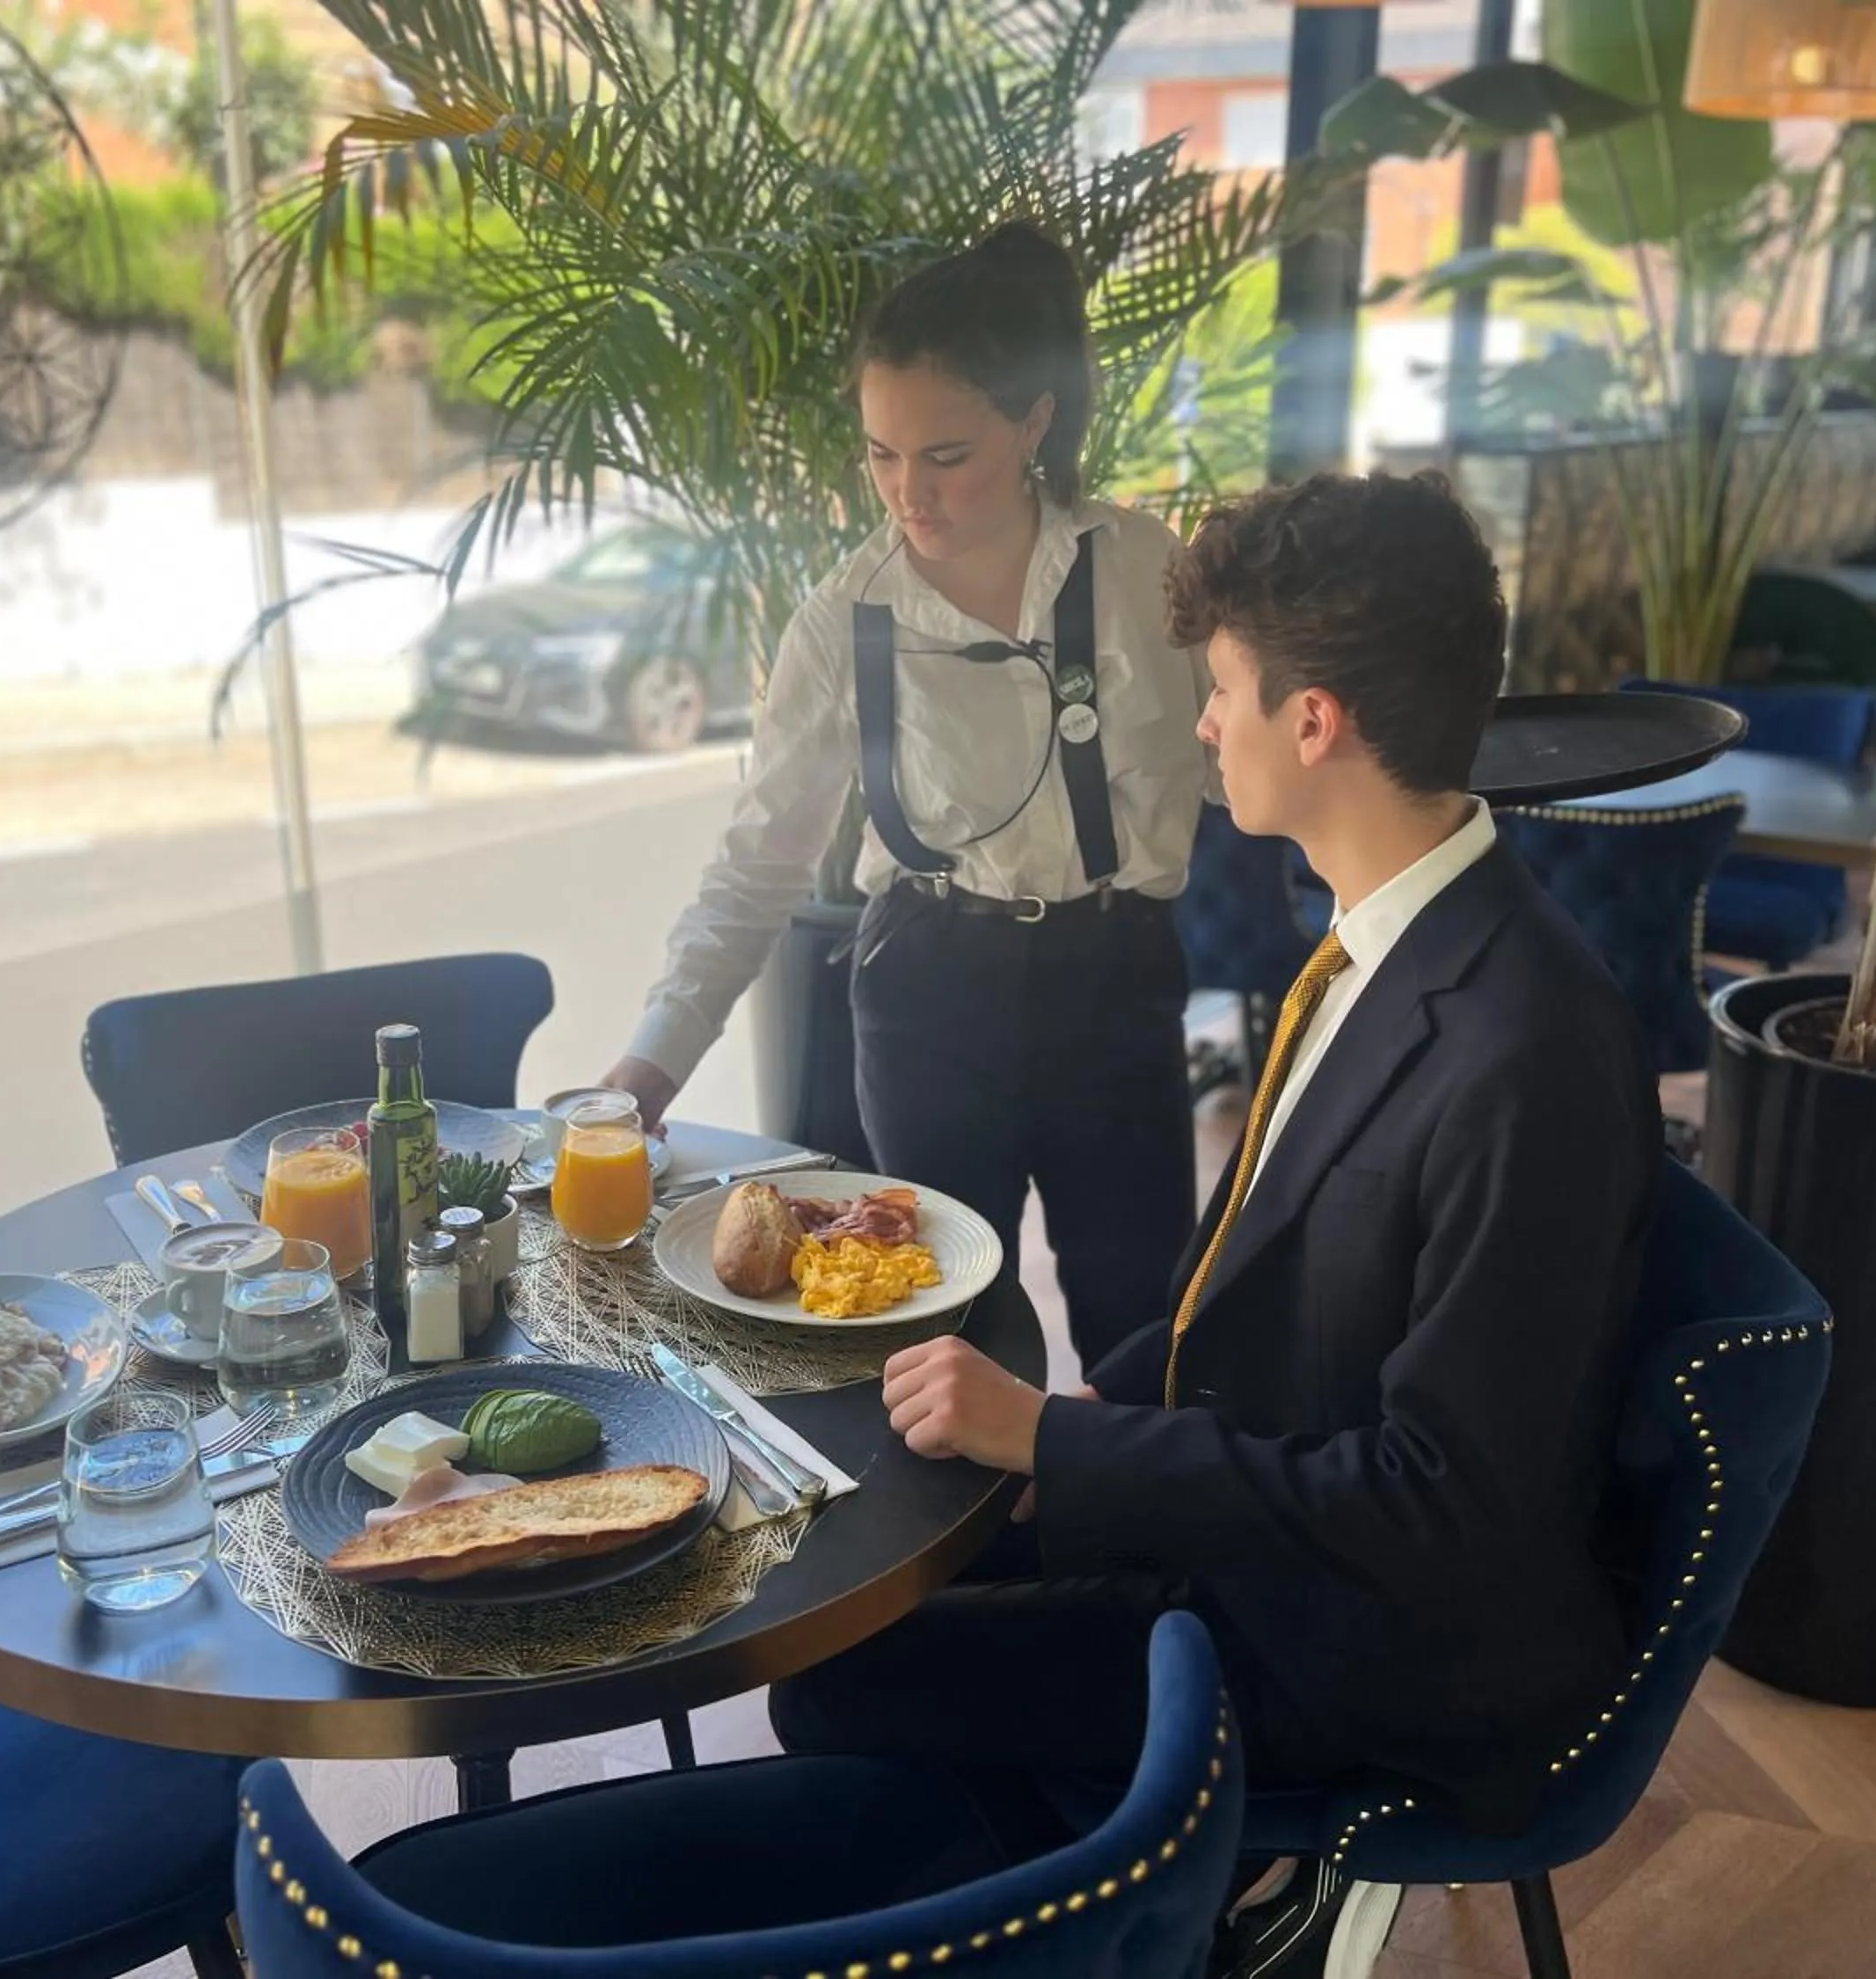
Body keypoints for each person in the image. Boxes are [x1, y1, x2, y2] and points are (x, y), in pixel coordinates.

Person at [767, 471, 1662, 1977]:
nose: (1200, 721)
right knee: (854, 1582)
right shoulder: (1386, 944)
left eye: (1226, 688)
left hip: (1383, 1638)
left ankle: (1129, 1917)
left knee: (842, 1676)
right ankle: (1103, 1893)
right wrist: (1089, 1409)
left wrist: (1060, 1446)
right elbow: (1253, 1286)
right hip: (1278, 1521)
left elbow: (1445, 1505)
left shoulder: (1532, 1051)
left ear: (1315, 723)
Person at [599, 223, 1210, 1368]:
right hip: (931, 994)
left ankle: (1145, 1546)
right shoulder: (844, 619)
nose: (905, 493)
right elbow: (761, 857)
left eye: (946, 454)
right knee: (934, 1329)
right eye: (880, 454)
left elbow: (1247, 761)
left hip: (1117, 980)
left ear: (1033, 422)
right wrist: (652, 1063)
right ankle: (972, 1556)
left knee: (1146, 1321)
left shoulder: (1139, 568)